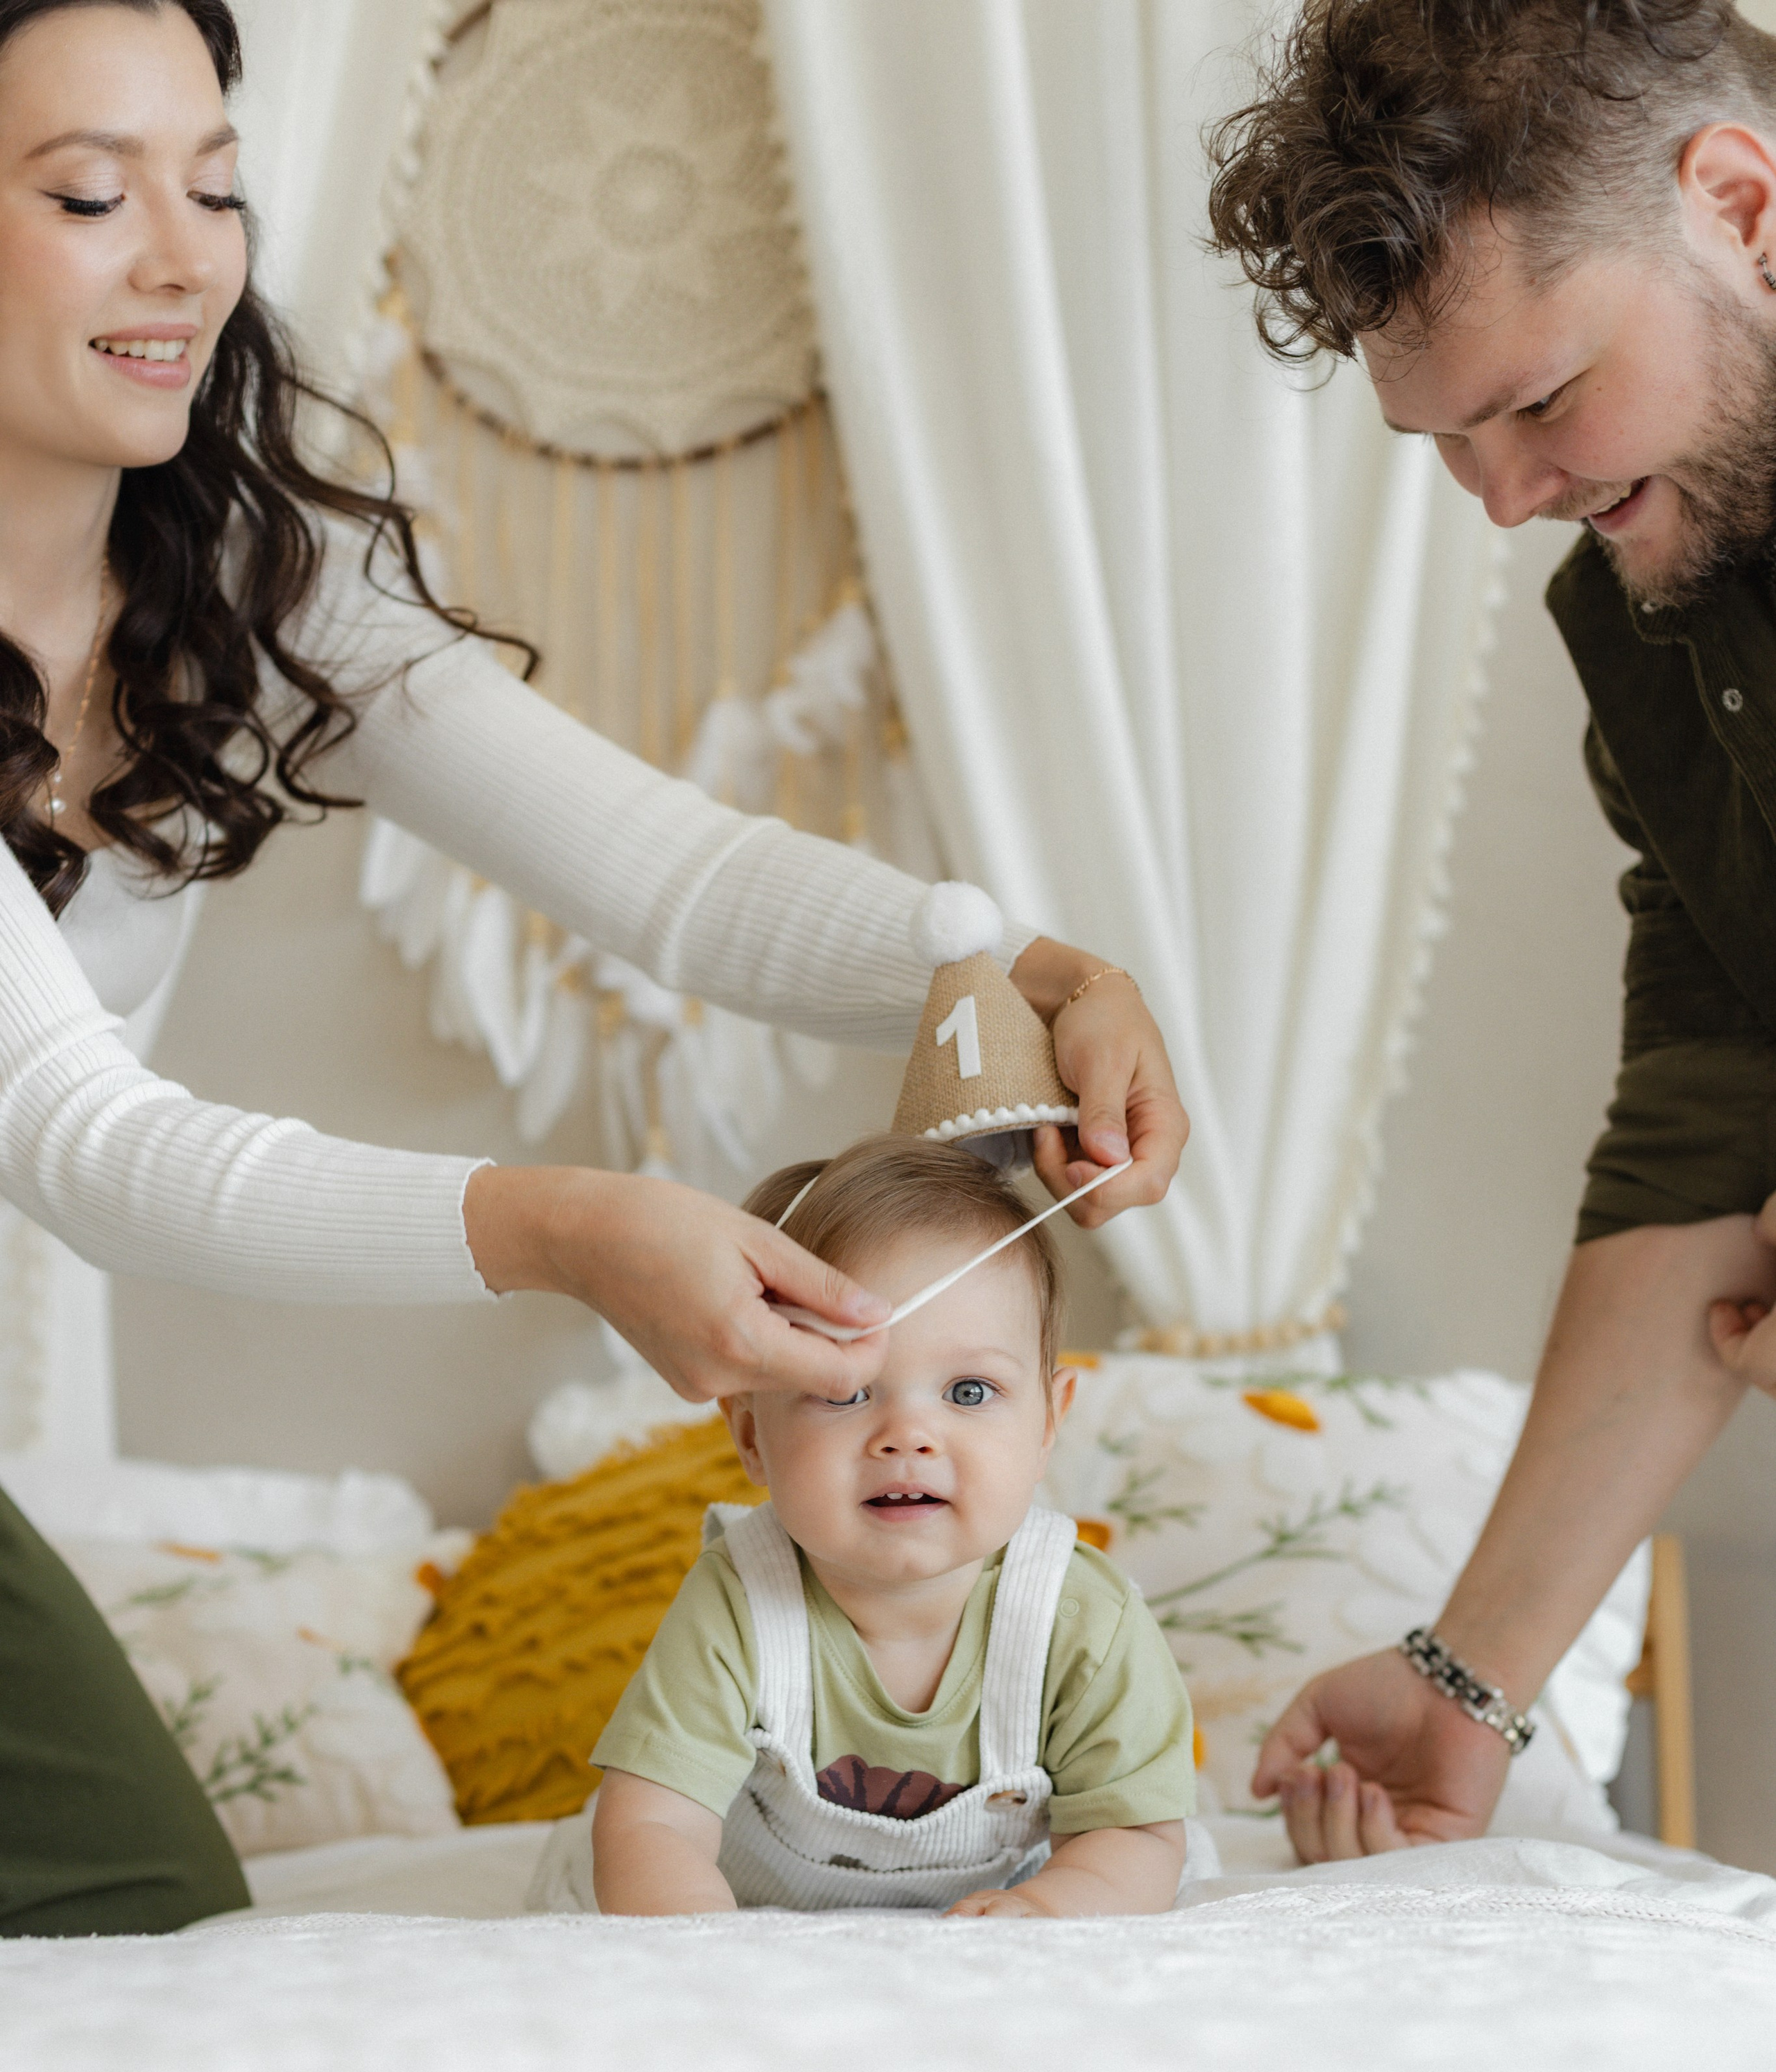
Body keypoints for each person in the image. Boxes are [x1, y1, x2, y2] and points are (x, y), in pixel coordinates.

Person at [0, 0, 1188, 1936]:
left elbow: (677, 877)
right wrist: (566, 1227)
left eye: (215, 186)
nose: (181, 258)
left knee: (142, 1915)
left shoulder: (244, 580)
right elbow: (77, 1139)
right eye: (87, 194)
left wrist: (1014, 967)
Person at [1206, 0, 1776, 1860]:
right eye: (1448, 440)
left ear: (1740, 203)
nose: (1512, 498)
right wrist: (1469, 1687)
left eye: (1538, 400)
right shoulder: (1652, 620)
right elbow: (1704, 1112)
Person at [568, 1138, 1197, 1919]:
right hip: (758, 1921)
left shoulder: (1082, 1626)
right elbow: (651, 1825)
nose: (907, 1436)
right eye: (843, 1392)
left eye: (968, 1391)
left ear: (1048, 1423)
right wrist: (706, 1957)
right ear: (751, 1439)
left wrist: (1051, 1913)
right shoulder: (740, 1602)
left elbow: (1135, 1836)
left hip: (1000, 1932)